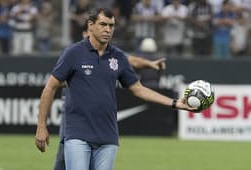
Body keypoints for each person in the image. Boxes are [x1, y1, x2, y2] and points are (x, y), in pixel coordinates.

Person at [35, 8, 195, 170]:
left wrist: (175, 103)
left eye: (111, 25)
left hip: (108, 137)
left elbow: (139, 89)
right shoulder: (73, 53)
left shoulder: (118, 57)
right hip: (77, 134)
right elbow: (50, 87)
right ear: (91, 25)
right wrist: (42, 126)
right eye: (103, 24)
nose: (108, 29)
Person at [53, 20, 166, 170]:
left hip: (99, 118)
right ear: (86, 32)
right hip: (75, 109)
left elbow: (129, 60)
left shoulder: (108, 53)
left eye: (109, 26)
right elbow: (55, 81)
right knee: (63, 156)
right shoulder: (74, 53)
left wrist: (149, 64)